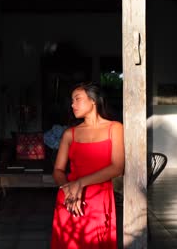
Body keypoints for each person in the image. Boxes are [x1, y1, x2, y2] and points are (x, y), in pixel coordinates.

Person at [51, 82, 125, 248]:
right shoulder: (70, 134)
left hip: (98, 199)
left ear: (93, 100)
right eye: (72, 100)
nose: (72, 104)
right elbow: (58, 170)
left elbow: (117, 167)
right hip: (69, 198)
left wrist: (79, 183)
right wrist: (68, 190)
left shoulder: (115, 128)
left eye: (77, 99)